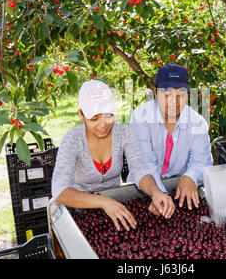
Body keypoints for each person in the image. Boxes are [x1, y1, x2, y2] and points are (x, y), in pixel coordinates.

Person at [51, 79, 175, 232]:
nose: (103, 125)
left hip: (117, 207)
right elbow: (60, 191)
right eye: (94, 118)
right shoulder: (73, 140)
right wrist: (103, 202)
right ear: (81, 114)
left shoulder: (123, 133)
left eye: (108, 116)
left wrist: (155, 192)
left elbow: (139, 169)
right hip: (81, 209)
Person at [127, 63, 213, 214]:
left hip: (180, 193)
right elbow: (144, 162)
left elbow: (202, 161)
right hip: (143, 190)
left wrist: (191, 177)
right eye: (167, 95)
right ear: (155, 92)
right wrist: (158, 193)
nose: (174, 101)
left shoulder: (197, 123)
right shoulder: (141, 118)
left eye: (180, 94)